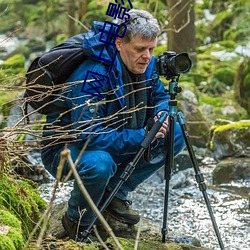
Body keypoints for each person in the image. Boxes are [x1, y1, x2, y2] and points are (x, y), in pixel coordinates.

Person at [41, 9, 185, 241]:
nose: (147, 56)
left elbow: (159, 96)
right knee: (100, 164)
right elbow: (87, 135)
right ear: (119, 43)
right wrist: (142, 135)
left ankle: (115, 193)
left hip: (116, 136)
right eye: (140, 49)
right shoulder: (93, 75)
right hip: (67, 150)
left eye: (152, 49)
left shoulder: (146, 64)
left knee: (175, 132)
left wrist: (161, 114)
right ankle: (76, 221)